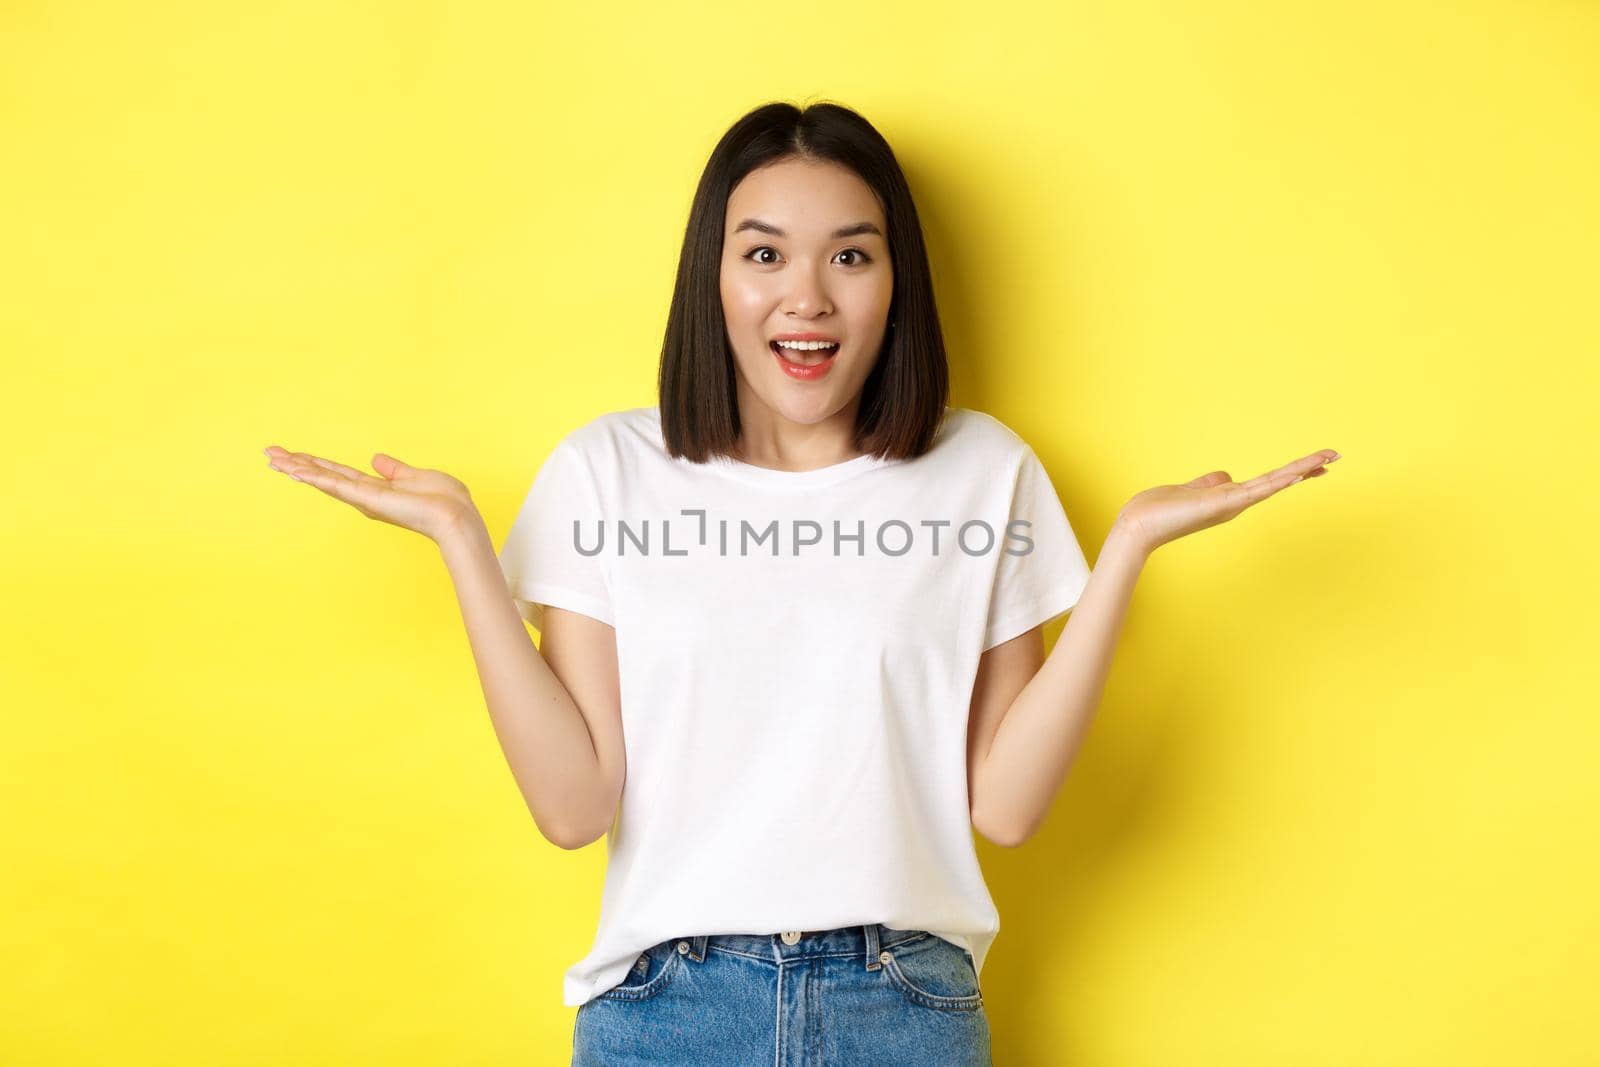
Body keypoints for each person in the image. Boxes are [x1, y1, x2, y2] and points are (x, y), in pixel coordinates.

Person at [263, 99, 1338, 1066]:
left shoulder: (982, 470)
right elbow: (571, 802)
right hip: (666, 1013)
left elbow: (1005, 807)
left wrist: (1128, 551)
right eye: (764, 254)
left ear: (894, 280)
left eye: (851, 257)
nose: (806, 299)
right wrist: (461, 539)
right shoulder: (608, 469)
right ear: (714, 277)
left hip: (905, 1008)